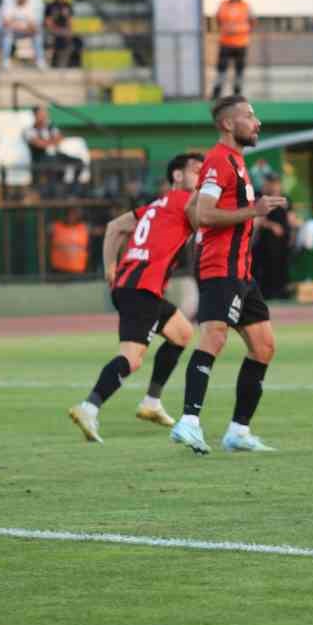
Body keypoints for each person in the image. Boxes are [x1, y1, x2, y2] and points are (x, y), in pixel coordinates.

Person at [168, 96, 288, 455]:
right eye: (249, 117)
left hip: (242, 272)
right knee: (214, 337)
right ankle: (189, 422)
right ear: (227, 124)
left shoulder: (234, 162)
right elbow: (204, 214)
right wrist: (254, 210)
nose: (257, 122)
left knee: (264, 347)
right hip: (221, 267)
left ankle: (238, 431)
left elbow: (194, 209)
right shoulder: (219, 161)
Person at [67, 153, 204, 444]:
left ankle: (151, 402)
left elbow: (114, 227)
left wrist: (109, 266)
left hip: (134, 286)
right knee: (131, 358)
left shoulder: (156, 206)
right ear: (177, 177)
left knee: (181, 333)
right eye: (196, 170)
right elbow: (204, 219)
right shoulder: (184, 200)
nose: (202, 174)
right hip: (142, 289)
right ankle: (89, 407)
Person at [24, 106, 83, 195]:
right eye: (41, 114)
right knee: (54, 166)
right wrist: (51, 142)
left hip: (56, 156)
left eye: (45, 114)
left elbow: (59, 138)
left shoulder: (51, 127)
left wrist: (48, 142)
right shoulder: (29, 130)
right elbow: (38, 144)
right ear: (35, 115)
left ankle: (73, 191)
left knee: (79, 162)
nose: (44, 116)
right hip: (41, 159)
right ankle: (54, 193)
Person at [252, 176, 290, 301]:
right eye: (272, 184)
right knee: (265, 266)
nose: (274, 187)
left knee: (281, 266)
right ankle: (266, 292)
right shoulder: (262, 198)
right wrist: (272, 226)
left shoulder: (285, 199)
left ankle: (280, 291)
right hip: (266, 240)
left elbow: (290, 217)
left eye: (277, 184)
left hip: (282, 241)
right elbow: (257, 218)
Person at [210, 0, 251, 98]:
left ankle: (238, 94)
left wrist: (242, 32)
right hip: (226, 43)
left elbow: (252, 21)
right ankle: (216, 94)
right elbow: (218, 19)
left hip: (241, 43)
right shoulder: (223, 5)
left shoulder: (245, 6)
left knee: (239, 71)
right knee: (221, 69)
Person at [0, 0, 47, 70]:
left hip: (24, 31)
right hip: (12, 32)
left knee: (37, 34)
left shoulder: (28, 7)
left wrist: (29, 28)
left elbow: (33, 25)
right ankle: (5, 60)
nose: (24, 0)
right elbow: (6, 23)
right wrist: (20, 27)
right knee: (7, 35)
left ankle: (40, 60)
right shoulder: (10, 6)